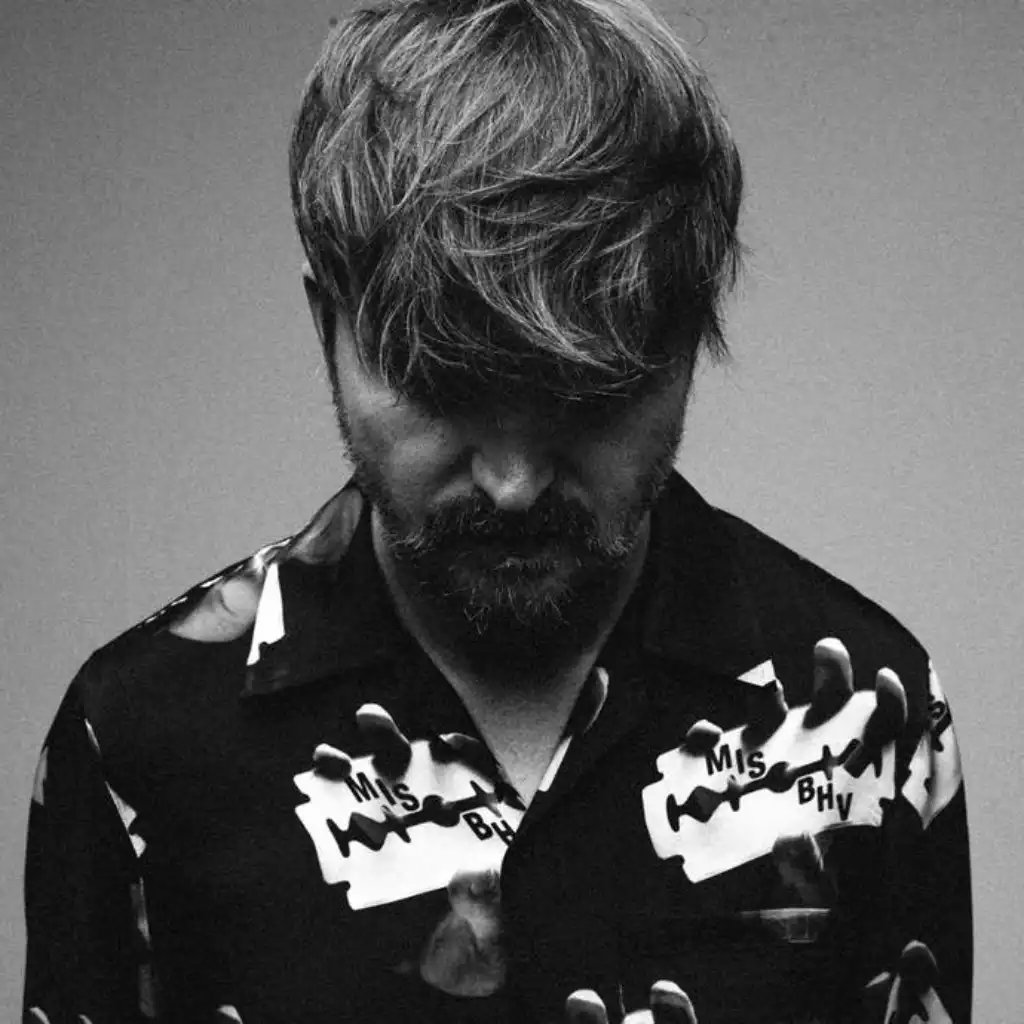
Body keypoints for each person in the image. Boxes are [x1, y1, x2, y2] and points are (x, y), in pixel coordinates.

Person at [21, 0, 972, 1021]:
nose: (514, 484)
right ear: (326, 321)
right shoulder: (141, 732)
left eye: (589, 394)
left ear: (690, 335)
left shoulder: (871, 717)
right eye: (444, 388)